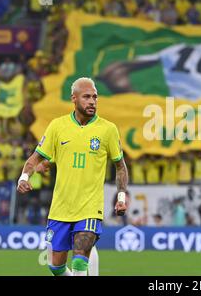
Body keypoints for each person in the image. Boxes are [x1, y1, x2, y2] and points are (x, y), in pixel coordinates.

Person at [17, 77, 129, 276]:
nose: (92, 101)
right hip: (60, 208)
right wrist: (24, 178)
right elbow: (34, 159)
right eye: (86, 97)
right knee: (56, 267)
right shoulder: (57, 126)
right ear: (74, 99)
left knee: (79, 262)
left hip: (89, 207)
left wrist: (121, 197)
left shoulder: (108, 129)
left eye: (95, 97)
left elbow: (120, 166)